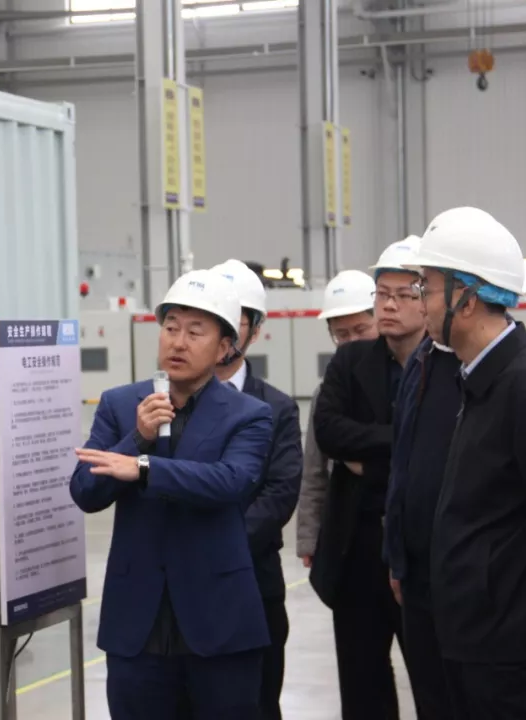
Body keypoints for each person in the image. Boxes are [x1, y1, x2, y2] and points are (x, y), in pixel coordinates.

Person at [385, 207, 526, 720]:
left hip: (507, 639)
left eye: (427, 288)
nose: (420, 301)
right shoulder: (476, 375)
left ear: (467, 297)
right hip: (470, 628)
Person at [70, 268, 274, 720]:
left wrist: (144, 468)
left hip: (219, 623)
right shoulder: (120, 405)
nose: (178, 342)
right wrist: (137, 438)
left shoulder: (249, 414)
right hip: (137, 626)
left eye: (195, 332)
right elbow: (85, 490)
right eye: (171, 328)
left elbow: (231, 481)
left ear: (224, 347)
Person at [309, 237, 425, 720]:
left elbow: (439, 446)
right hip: (356, 550)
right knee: (362, 685)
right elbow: (329, 432)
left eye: (403, 295)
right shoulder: (350, 362)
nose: (389, 305)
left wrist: (369, 460)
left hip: (421, 552)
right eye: (383, 294)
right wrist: (402, 443)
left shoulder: (445, 365)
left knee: (435, 680)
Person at [211, 259, 303, 720]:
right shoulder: (163, 403)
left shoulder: (277, 408)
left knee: (258, 703)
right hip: (180, 593)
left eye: (236, 321)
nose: (224, 332)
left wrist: (216, 547)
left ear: (255, 330)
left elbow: (280, 493)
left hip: (252, 583)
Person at [295, 269, 378, 570]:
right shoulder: (327, 394)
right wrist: (309, 539)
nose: (352, 341)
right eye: (342, 334)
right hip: (344, 529)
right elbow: (314, 473)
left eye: (361, 329)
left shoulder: (406, 379)